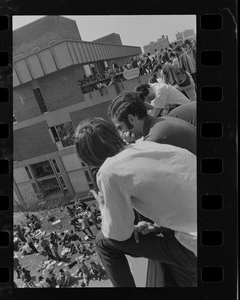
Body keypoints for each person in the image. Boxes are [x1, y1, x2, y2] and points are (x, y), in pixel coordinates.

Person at [74, 117, 197, 287]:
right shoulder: (147, 145)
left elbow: (118, 234)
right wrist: (157, 227)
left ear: (88, 157)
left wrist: (103, 207)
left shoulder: (108, 171)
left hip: (195, 244)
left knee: (103, 242)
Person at [108, 92, 196, 155]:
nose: (121, 133)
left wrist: (131, 146)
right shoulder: (161, 121)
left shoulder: (155, 139)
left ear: (131, 119)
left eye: (120, 128)